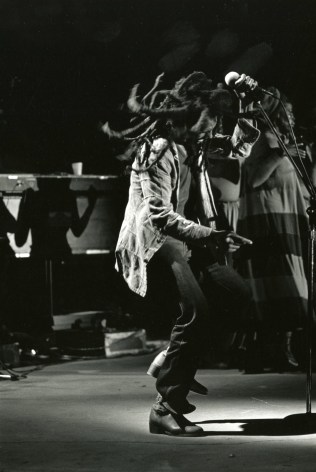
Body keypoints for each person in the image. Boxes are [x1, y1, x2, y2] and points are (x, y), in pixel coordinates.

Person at [103, 71, 259, 436]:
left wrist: (246, 103)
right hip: (160, 241)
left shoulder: (197, 143)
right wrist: (212, 235)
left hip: (192, 239)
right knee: (197, 313)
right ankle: (164, 407)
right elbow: (160, 216)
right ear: (186, 118)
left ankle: (170, 360)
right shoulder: (156, 149)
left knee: (236, 294)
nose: (212, 130)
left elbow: (240, 146)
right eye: (207, 123)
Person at [236, 87, 309, 372]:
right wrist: (281, 153)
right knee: (277, 283)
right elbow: (253, 179)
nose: (291, 115)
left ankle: (283, 348)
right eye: (287, 110)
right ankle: (274, 351)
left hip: (287, 214)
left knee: (289, 283)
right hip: (269, 217)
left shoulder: (279, 138)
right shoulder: (262, 138)